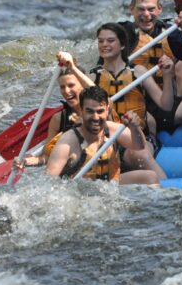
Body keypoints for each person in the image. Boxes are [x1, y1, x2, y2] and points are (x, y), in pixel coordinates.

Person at [56, 22, 168, 179]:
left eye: (110, 40)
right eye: (101, 41)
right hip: (108, 138)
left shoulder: (138, 72)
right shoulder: (92, 76)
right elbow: (95, 98)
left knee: (140, 154)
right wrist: (71, 67)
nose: (104, 44)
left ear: (122, 45)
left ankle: (166, 190)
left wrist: (168, 75)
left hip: (137, 137)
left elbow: (166, 105)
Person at [120, 0, 182, 146]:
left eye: (151, 9)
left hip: (164, 103)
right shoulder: (123, 34)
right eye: (141, 9)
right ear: (131, 9)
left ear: (159, 9)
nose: (146, 14)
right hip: (134, 106)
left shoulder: (170, 33)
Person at [45, 86, 160, 185]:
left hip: (111, 186)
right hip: (82, 195)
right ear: (81, 110)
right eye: (90, 111)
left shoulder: (113, 130)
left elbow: (140, 146)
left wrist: (135, 128)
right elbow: (49, 183)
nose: (95, 117)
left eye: (100, 111)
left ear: (107, 110)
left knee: (150, 177)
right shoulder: (68, 142)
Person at [17, 69, 86, 168]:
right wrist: (27, 161)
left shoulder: (100, 111)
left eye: (71, 85)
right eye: (62, 87)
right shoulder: (58, 119)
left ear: (83, 85)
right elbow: (47, 157)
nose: (66, 91)